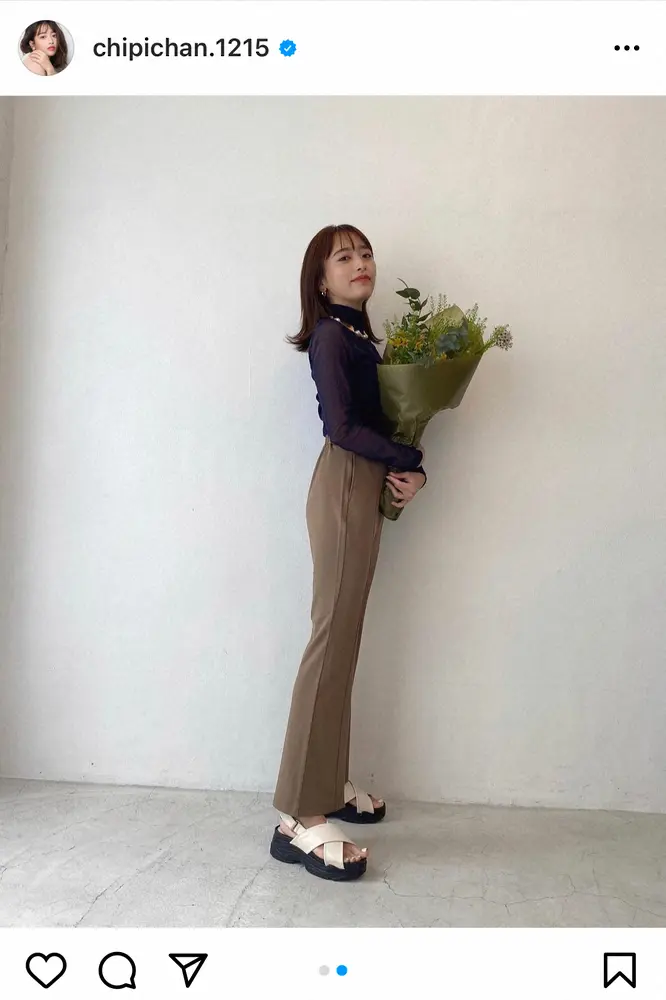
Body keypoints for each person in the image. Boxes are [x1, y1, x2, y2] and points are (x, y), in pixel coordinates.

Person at [269, 225, 427, 882]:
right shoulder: (331, 337)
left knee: (346, 639)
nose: (360, 263)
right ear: (321, 278)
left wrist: (409, 471)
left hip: (363, 485)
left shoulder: (361, 337)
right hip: (342, 485)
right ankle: (298, 815)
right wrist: (410, 456)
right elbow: (341, 427)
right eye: (344, 257)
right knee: (330, 639)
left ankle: (327, 783)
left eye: (365, 253)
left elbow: (379, 424)